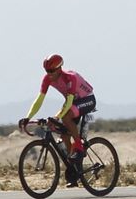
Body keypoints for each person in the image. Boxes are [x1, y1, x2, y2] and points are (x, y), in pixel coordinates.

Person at [21, 54, 96, 184]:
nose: (49, 74)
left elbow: (69, 101)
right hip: (72, 103)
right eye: (46, 71)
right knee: (64, 134)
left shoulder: (70, 77)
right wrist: (28, 117)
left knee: (65, 118)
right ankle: (75, 169)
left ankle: (78, 147)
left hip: (87, 99)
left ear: (59, 68)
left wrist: (57, 117)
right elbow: (39, 100)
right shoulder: (47, 79)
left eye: (51, 71)